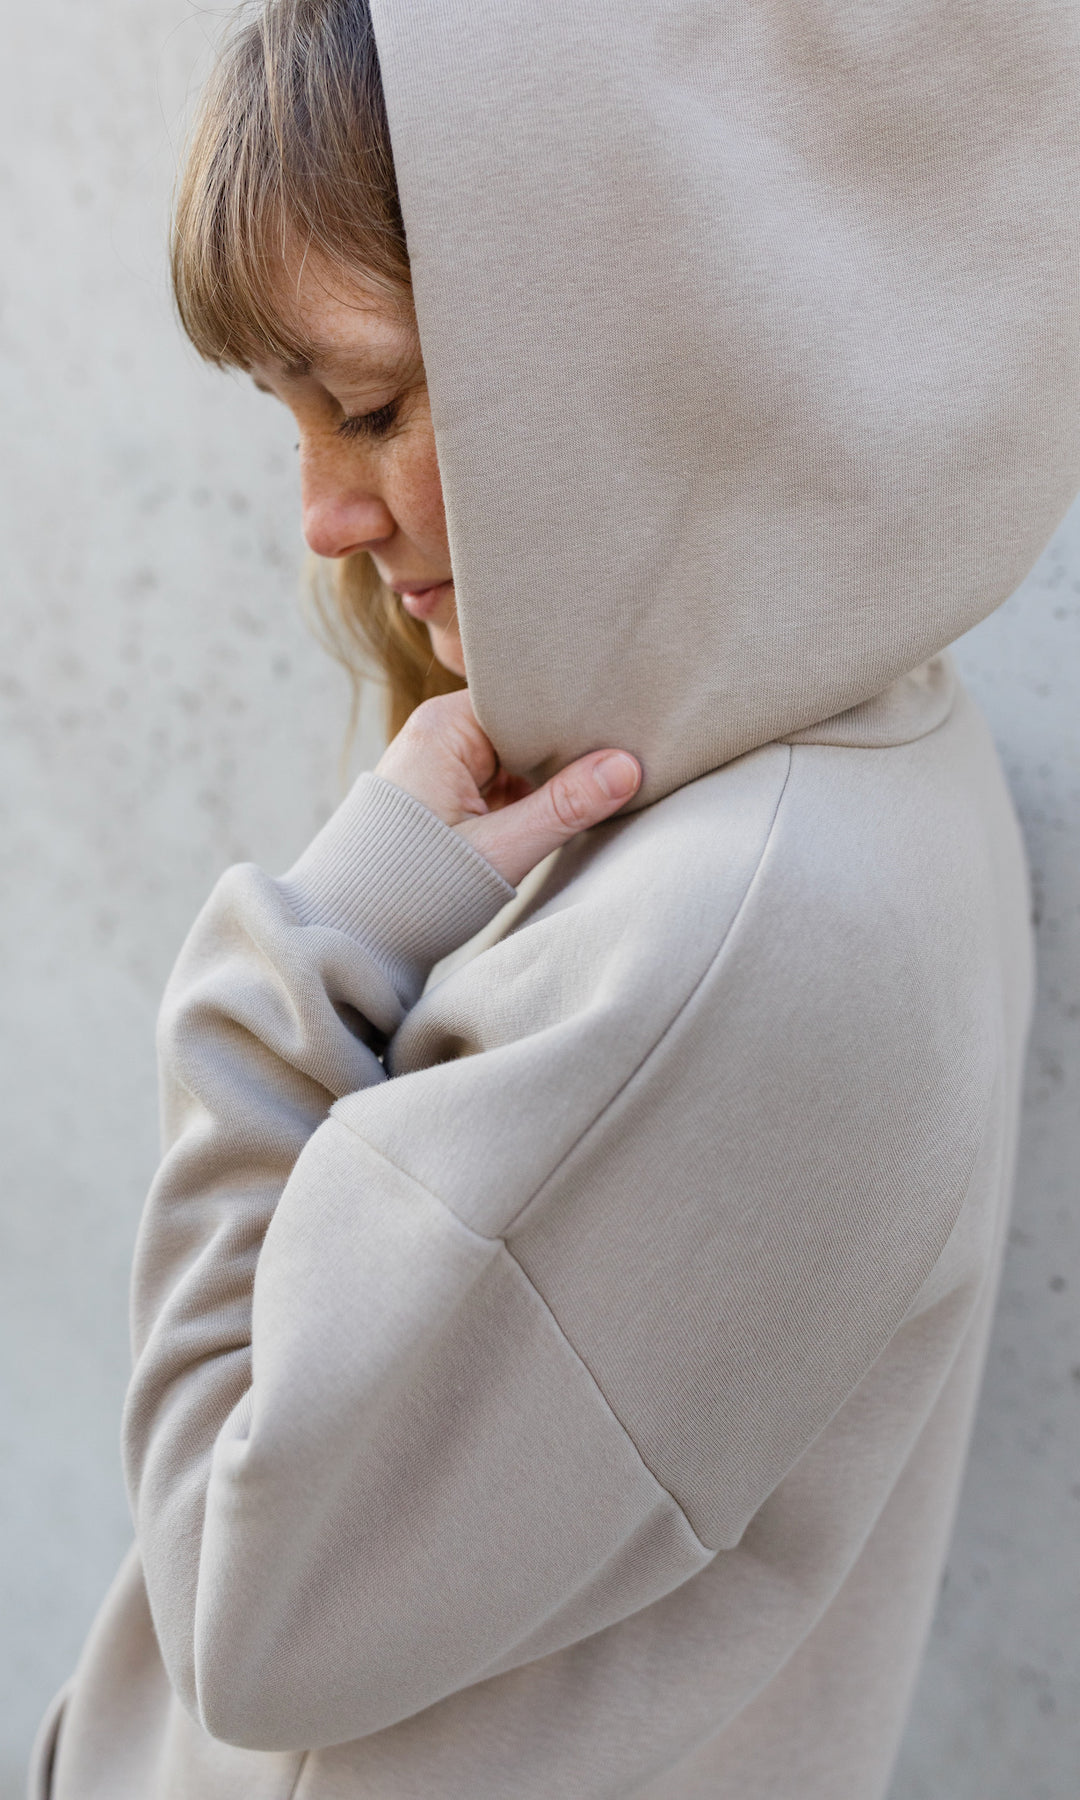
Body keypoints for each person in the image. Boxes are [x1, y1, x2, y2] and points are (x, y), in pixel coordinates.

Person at [30, 1, 1080, 1796]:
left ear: (624, 338)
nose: (321, 517)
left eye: (363, 403)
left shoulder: (728, 935)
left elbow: (240, 1617)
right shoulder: (850, 744)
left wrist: (297, 967)